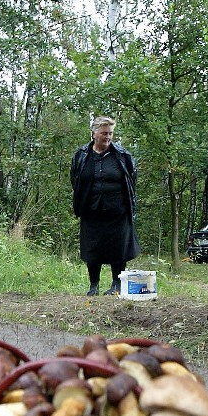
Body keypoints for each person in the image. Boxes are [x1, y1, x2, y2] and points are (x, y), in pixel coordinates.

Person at [70, 116, 141, 296]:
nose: (107, 137)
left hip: (118, 212)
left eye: (110, 133)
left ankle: (116, 284)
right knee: (92, 249)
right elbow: (75, 180)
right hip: (91, 210)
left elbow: (132, 180)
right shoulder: (81, 155)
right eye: (104, 133)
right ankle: (94, 285)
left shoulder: (123, 156)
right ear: (94, 134)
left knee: (119, 249)